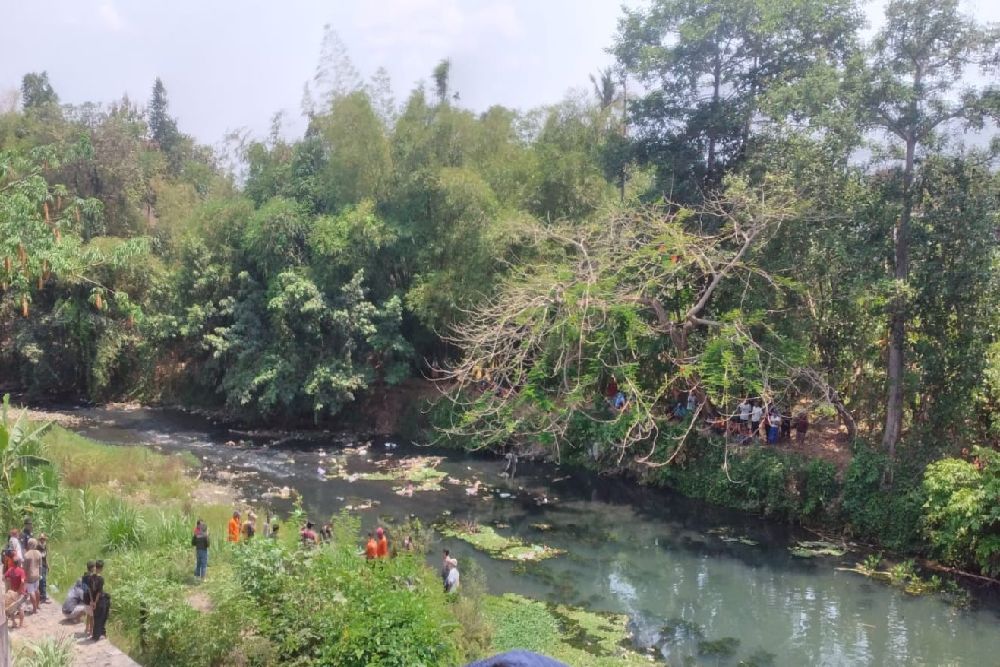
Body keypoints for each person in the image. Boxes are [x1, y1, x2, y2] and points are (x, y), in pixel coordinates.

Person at [3, 558, 25, 628]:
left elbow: (4, 578)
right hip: (20, 593)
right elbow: (22, 581)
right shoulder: (21, 571)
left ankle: (14, 623)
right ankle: (21, 624)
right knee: (21, 608)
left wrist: (9, 581)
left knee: (12, 609)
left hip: (12, 592)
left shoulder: (10, 570)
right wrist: (19, 590)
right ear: (19, 563)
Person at [90, 561, 109, 641]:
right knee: (101, 617)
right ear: (101, 568)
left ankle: (96, 635)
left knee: (96, 617)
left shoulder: (91, 577)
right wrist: (95, 602)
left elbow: (90, 590)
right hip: (99, 600)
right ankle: (98, 635)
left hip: (93, 599)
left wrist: (92, 600)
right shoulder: (101, 579)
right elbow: (99, 592)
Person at [22, 538, 42, 614]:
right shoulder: (39, 553)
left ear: (29, 544)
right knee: (37, 589)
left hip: (29, 575)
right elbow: (40, 566)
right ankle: (38, 605)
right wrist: (40, 574)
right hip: (37, 574)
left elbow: (25, 568)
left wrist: (24, 577)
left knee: (31, 592)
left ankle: (34, 609)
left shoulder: (26, 555)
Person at [36, 534, 48, 604]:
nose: (43, 540)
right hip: (40, 565)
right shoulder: (38, 547)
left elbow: (45, 556)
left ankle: (42, 596)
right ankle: (43, 596)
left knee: (43, 581)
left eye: (43, 539)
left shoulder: (45, 546)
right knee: (42, 581)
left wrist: (47, 564)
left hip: (44, 565)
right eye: (41, 539)